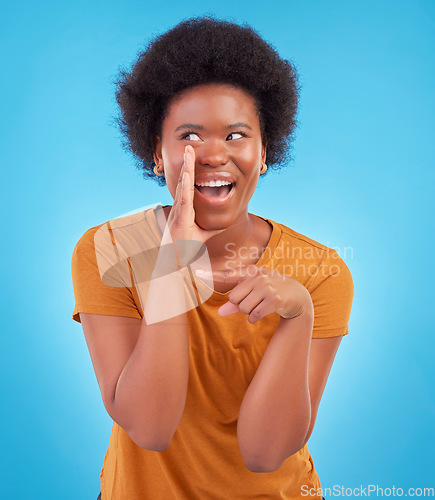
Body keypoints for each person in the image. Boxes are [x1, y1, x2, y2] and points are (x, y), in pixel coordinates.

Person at [71, 16, 353, 500]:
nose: (214, 154)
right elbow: (150, 428)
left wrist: (298, 314)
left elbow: (265, 455)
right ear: (157, 153)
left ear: (265, 153)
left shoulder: (320, 271)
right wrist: (171, 263)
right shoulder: (110, 249)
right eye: (189, 136)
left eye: (237, 135)